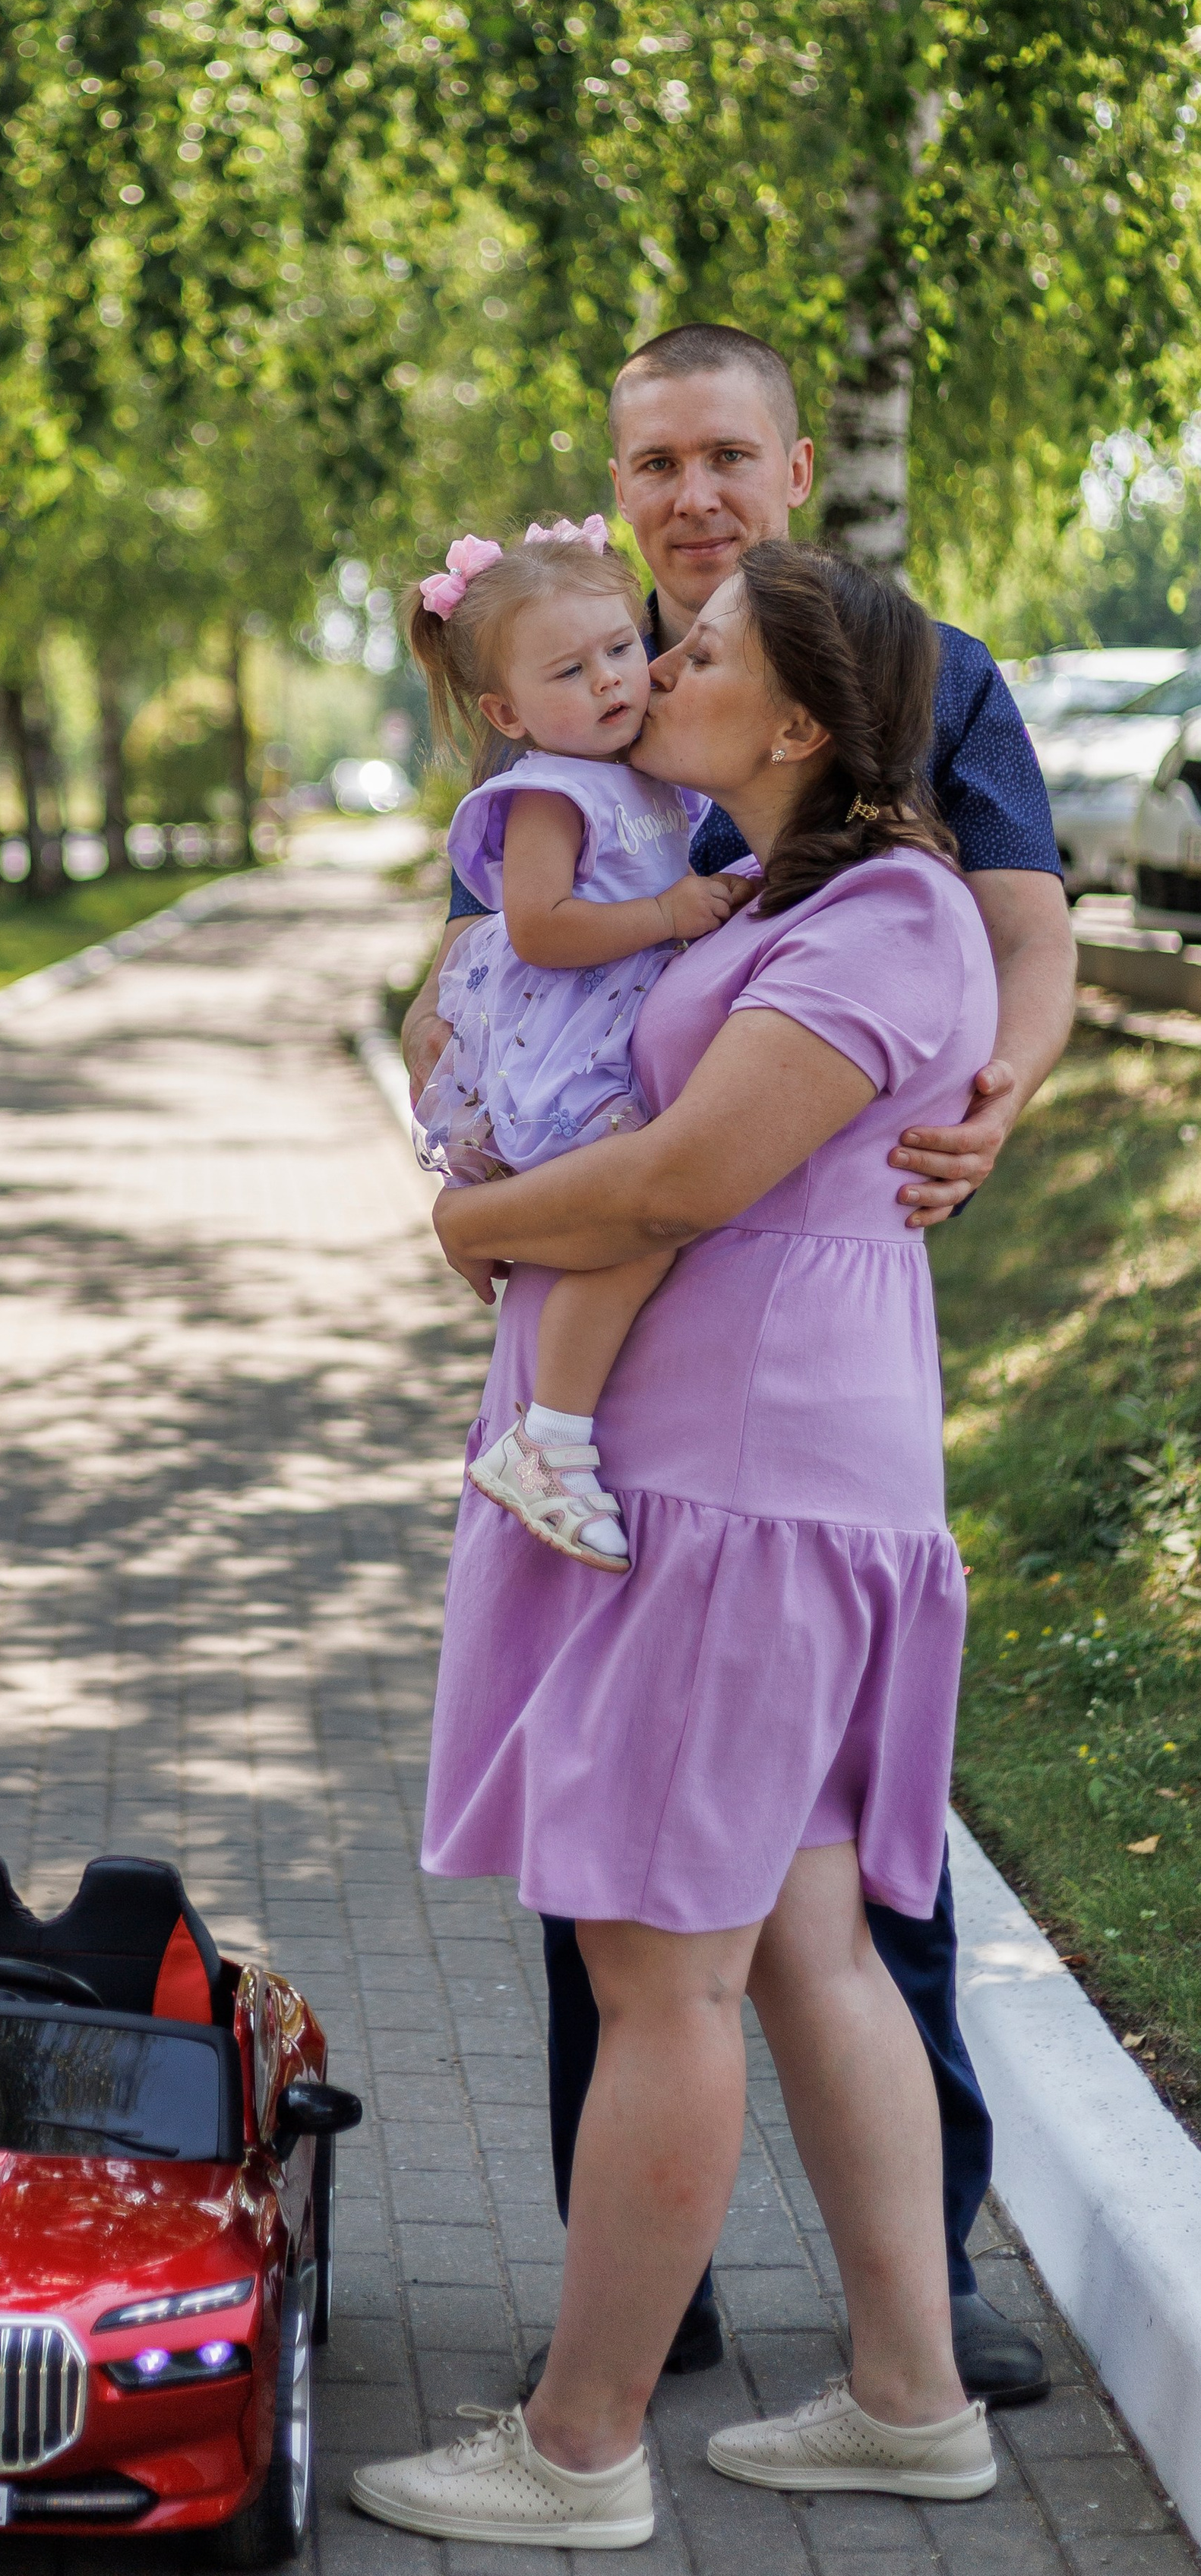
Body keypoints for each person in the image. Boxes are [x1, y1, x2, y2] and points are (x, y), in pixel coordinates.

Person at [400, 324, 1073, 2407]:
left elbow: (994, 942)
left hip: (740, 1451)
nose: (686, 496)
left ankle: (666, 2401)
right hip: (666, 1419)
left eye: (721, 455)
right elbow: (508, 934)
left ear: (792, 470)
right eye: (650, 462)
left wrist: (989, 1091)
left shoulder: (886, 711)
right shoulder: (587, 670)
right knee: (687, 1918)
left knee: (726, 1935)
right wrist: (467, 1069)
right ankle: (745, 2333)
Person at [406, 515, 749, 1567]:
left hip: (613, 1037)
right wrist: (667, 915)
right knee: (635, 1222)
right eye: (569, 671)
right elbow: (538, 928)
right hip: (566, 1052)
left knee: (642, 1218)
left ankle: (556, 1421)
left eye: (620, 649)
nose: (609, 681)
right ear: (508, 713)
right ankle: (549, 1438)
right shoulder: (547, 792)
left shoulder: (652, 764)